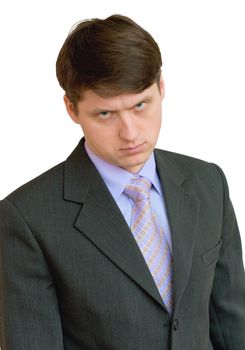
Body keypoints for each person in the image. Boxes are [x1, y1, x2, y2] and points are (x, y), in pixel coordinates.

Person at [0, 14, 244, 350]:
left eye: (141, 105)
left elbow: (232, 323)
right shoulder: (27, 217)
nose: (130, 133)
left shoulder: (209, 183)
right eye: (105, 114)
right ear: (72, 109)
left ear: (161, 87)